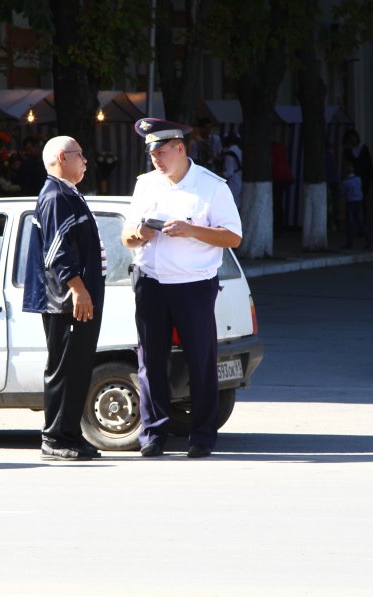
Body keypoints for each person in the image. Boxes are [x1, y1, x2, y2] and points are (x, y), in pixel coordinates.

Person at [121, 118, 242, 459]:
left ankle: (201, 436)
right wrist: (140, 235)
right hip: (150, 282)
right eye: (151, 154)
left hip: (193, 285)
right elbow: (127, 236)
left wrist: (191, 230)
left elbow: (233, 237)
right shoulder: (146, 185)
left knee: (200, 361)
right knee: (150, 361)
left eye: (161, 152)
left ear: (180, 148)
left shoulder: (211, 185)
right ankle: (153, 434)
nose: (156, 160)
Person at [22, 136, 106, 461]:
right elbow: (56, 251)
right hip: (66, 299)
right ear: (61, 157)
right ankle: (55, 438)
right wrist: (78, 288)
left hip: (78, 296)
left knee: (79, 366)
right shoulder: (55, 195)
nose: (85, 160)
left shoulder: (69, 193)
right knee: (64, 368)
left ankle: (70, 433)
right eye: (79, 154)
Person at [342, 129, 373, 222]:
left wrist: (370, 175)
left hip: (364, 179)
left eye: (354, 138)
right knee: (353, 201)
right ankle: (356, 221)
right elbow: (347, 163)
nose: (352, 140)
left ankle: (362, 221)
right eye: (350, 138)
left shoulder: (363, 148)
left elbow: (369, 163)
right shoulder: (348, 151)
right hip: (352, 179)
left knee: (362, 200)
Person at [341, 162, 372, 250]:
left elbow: (343, 193)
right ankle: (368, 237)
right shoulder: (359, 179)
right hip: (359, 202)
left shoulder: (345, 182)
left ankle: (349, 243)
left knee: (350, 224)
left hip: (350, 203)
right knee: (360, 222)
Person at [220, 133, 243, 212]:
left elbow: (229, 172)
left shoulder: (230, 152)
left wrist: (217, 176)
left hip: (233, 182)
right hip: (239, 179)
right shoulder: (239, 150)